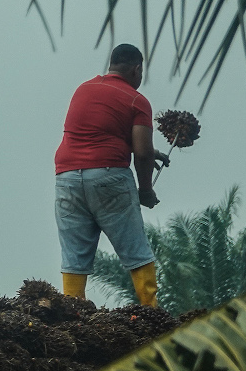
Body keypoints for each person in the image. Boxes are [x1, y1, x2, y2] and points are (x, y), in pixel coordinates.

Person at [53, 44, 170, 307]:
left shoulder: (83, 89)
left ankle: (73, 314)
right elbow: (141, 154)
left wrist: (153, 152)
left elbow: (99, 132)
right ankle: (152, 313)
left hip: (67, 178)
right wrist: (146, 190)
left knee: (74, 255)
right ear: (137, 68)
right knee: (136, 250)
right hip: (109, 178)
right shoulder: (136, 101)